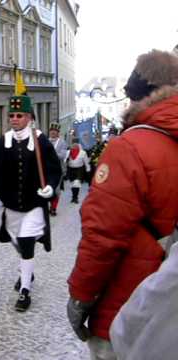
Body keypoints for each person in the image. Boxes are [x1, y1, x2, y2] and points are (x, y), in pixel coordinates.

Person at [67, 49, 178, 360]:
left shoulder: (128, 147)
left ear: (137, 98)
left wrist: (80, 296)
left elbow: (102, 236)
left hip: (129, 306)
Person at [0, 96, 62, 312]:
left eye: (19, 115)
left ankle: (25, 291)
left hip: (33, 204)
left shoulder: (40, 141)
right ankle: (27, 272)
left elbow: (54, 170)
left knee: (26, 243)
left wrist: (50, 187)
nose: (14, 119)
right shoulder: (2, 142)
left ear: (30, 118)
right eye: (12, 115)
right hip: (12, 205)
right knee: (16, 242)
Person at [48, 122, 68, 216]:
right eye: (51, 131)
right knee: (47, 189)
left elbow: (63, 155)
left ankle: (53, 208)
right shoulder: (46, 141)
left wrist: (52, 153)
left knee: (56, 190)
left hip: (58, 169)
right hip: (47, 169)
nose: (53, 133)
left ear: (58, 132)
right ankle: (48, 206)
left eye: (55, 131)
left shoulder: (62, 142)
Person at [65, 138, 90, 204]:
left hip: (79, 169)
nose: (75, 145)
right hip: (70, 169)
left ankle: (75, 197)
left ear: (79, 144)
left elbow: (86, 162)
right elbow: (65, 161)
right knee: (72, 184)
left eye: (76, 143)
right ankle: (73, 197)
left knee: (77, 183)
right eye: (73, 143)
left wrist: (88, 170)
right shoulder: (68, 152)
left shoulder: (83, 152)